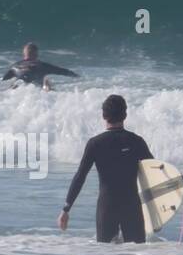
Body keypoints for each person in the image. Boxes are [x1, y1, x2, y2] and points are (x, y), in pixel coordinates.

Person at [58, 94, 153, 243]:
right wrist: (157, 212)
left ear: (104, 116)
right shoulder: (136, 141)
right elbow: (153, 173)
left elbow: (80, 177)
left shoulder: (95, 144)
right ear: (125, 115)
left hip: (107, 208)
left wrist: (66, 209)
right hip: (132, 208)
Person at [1, 42, 78, 91]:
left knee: (14, 83)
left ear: (24, 54)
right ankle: (47, 89)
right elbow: (62, 71)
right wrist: (77, 76)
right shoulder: (41, 65)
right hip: (36, 86)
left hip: (21, 85)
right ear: (36, 54)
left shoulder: (15, 66)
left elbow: (3, 79)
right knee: (47, 81)